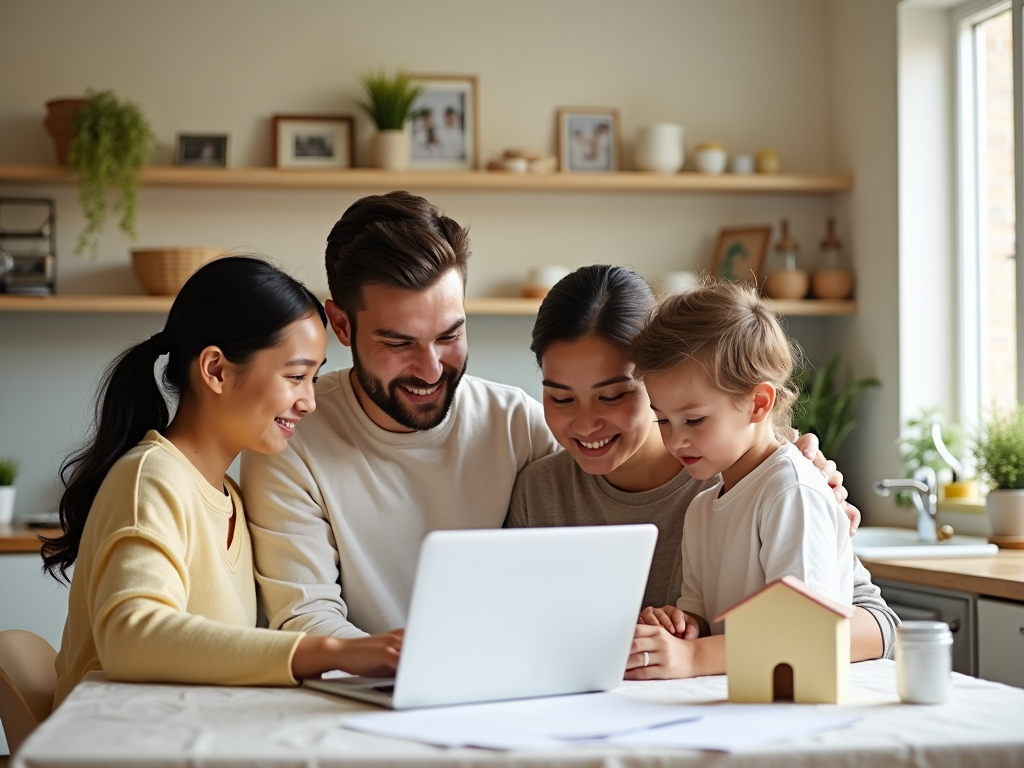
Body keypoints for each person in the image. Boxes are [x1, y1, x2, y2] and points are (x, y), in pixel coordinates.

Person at [44, 257, 403, 709]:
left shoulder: (228, 495)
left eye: (313, 377)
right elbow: (131, 636)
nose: (309, 401)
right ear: (215, 369)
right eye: (295, 376)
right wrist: (336, 652)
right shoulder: (152, 478)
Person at [506, 265, 895, 662]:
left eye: (612, 396)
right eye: (562, 398)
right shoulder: (542, 493)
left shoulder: (749, 476)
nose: (586, 423)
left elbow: (868, 623)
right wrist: (684, 628)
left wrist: (696, 656)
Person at [241, 192, 557, 638]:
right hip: (362, 695)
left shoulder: (519, 425)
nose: (430, 370)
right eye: (399, 343)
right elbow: (308, 619)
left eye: (450, 335)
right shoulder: (292, 439)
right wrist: (414, 668)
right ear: (342, 325)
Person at [626, 279, 858, 680]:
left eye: (694, 419)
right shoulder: (702, 507)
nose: (674, 438)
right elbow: (705, 615)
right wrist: (682, 626)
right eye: (662, 419)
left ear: (758, 403)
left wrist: (694, 659)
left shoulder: (791, 491)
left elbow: (809, 632)